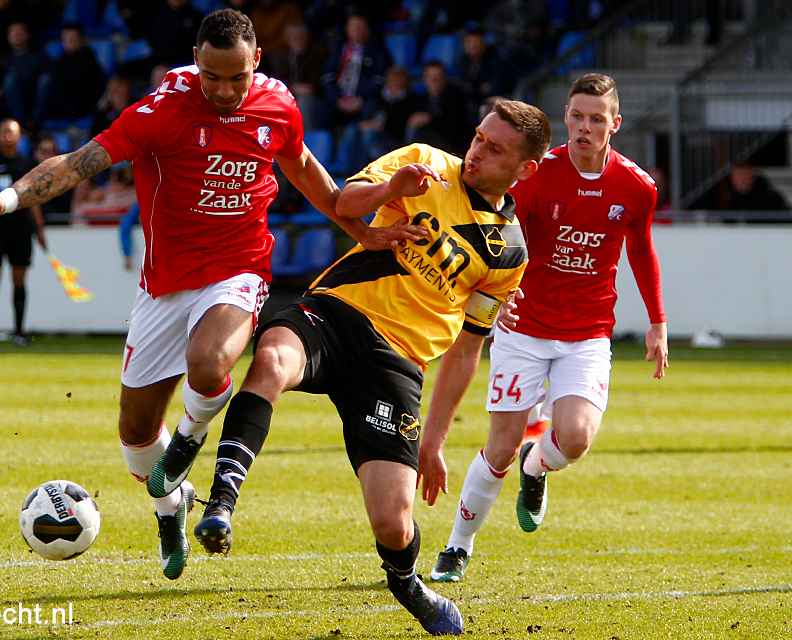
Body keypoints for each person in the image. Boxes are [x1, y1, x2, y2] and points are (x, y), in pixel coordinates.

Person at [0, 8, 423, 582]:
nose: (225, 91)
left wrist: (362, 230)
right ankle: (171, 505)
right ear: (196, 62)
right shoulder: (162, 110)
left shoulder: (278, 104)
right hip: (165, 283)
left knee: (209, 365)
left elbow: (303, 169)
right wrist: (5, 201)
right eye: (212, 77)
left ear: (256, 61)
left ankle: (191, 438)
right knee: (133, 435)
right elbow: (80, 163)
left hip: (239, 269)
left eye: (236, 78)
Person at [185, 100, 550, 635]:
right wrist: (391, 189)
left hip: (395, 365)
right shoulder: (425, 162)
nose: (477, 151)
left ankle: (405, 583)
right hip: (335, 312)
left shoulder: (509, 254)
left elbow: (469, 348)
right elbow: (343, 201)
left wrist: (434, 441)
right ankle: (221, 502)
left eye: (494, 148)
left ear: (525, 169)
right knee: (269, 362)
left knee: (393, 522)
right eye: (478, 137)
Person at [426, 73, 669, 584]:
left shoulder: (636, 186)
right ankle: (457, 546)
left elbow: (641, 250)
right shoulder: (538, 177)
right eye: (577, 116)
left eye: (596, 119)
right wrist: (498, 290)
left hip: (587, 331)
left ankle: (537, 467)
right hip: (524, 326)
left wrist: (657, 321)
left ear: (614, 125)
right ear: (566, 117)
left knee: (576, 439)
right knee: (500, 446)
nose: (585, 127)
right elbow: (500, 229)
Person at [0, 118, 46, 347]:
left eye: (13, 132)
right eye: (4, 131)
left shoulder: (27, 164)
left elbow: (33, 199)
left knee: (19, 278)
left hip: (21, 228)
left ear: (20, 136)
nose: (8, 136)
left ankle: (18, 331)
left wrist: (39, 228)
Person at [725, 162, 790, 213]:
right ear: (732, 180)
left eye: (746, 178)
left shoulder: (770, 197)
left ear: (753, 177)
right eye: (740, 179)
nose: (744, 182)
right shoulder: (732, 199)